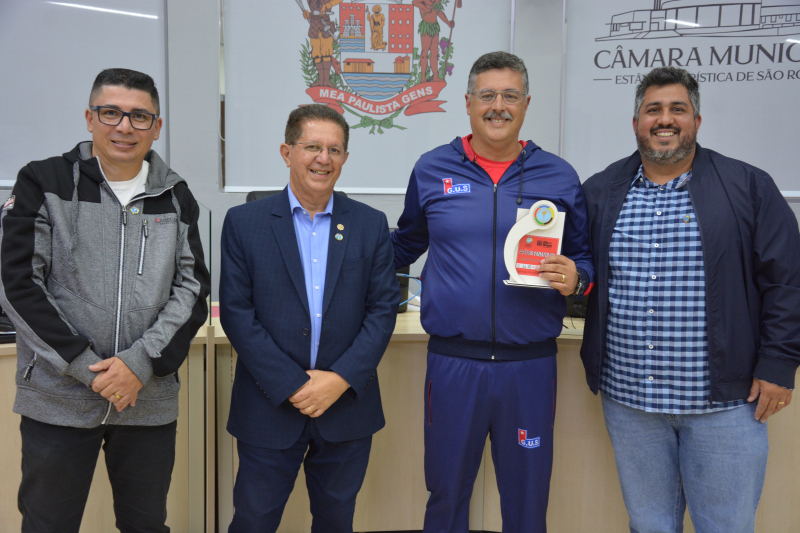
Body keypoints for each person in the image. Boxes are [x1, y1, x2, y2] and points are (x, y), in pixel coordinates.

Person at [581, 65, 800, 533]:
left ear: (696, 121)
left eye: (677, 109)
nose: (665, 119)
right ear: (636, 122)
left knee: (726, 526)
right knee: (649, 526)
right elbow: (582, 269)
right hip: (631, 402)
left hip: (726, 405)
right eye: (653, 110)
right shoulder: (600, 190)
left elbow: (786, 280)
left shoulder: (748, 186)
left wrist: (779, 364)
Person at [0, 68, 210, 532]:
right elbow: (17, 284)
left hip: (146, 400)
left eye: (139, 116)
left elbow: (192, 289)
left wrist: (138, 364)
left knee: (146, 526)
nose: (124, 126)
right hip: (59, 398)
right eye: (111, 112)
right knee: (47, 525)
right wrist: (86, 368)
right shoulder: (43, 181)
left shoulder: (176, 195)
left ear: (157, 126)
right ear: (90, 118)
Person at [392, 51, 594, 533]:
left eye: (509, 96)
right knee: (445, 495)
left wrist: (578, 278)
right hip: (453, 363)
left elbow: (584, 258)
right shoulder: (432, 168)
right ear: (468, 103)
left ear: (526, 104)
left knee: (527, 501)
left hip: (529, 367)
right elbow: (405, 243)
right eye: (487, 95)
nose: (497, 106)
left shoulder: (559, 175)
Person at [220, 104, 399, 532]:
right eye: (312, 147)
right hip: (269, 405)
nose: (324, 158)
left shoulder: (370, 224)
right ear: (287, 152)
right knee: (253, 521)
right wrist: (294, 384)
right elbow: (237, 313)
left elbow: (382, 310)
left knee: (336, 522)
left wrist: (338, 380)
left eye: (334, 150)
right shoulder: (245, 222)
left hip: (346, 406)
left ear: (345, 158)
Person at [412, 0, 456, 82]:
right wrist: (425, 8)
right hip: (426, 26)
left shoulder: (437, 1)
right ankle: (423, 78)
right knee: (425, 52)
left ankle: (435, 76)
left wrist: (447, 22)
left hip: (434, 27)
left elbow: (438, 11)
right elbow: (415, 2)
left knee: (434, 52)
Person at [303, 0, 344, 88]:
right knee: (316, 54)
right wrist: (308, 15)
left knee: (326, 53)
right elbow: (314, 13)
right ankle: (321, 80)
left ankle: (327, 80)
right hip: (314, 28)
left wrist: (329, 4)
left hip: (326, 25)